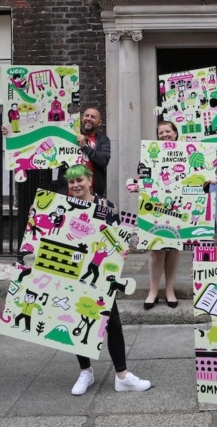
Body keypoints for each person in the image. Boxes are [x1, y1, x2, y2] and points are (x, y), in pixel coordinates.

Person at [61, 164, 152, 396]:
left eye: (79, 180)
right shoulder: (63, 206)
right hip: (73, 270)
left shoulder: (107, 206)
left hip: (101, 273)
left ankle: (122, 376)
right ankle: (85, 372)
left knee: (113, 324)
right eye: (71, 182)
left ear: (90, 180)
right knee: (77, 321)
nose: (75, 185)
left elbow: (116, 237)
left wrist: (121, 251)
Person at [130, 121, 181, 309]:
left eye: (168, 131)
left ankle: (169, 290)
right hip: (154, 206)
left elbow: (198, 175)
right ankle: (153, 290)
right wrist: (135, 184)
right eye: (161, 132)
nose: (165, 134)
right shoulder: (149, 154)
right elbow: (140, 177)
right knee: (155, 249)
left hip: (179, 207)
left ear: (175, 133)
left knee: (174, 249)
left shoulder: (188, 153)